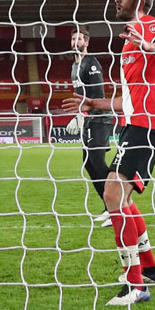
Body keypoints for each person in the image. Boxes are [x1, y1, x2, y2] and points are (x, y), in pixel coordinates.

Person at [64, 0, 155, 306]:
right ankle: (150, 268)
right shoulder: (127, 45)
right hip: (133, 125)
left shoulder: (149, 25)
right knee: (121, 198)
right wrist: (92, 103)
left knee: (113, 194)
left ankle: (135, 285)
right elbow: (127, 99)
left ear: (138, 0)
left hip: (150, 125)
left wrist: (148, 44)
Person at [65, 25, 113, 226]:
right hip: (88, 118)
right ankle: (109, 206)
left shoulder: (90, 63)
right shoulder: (75, 66)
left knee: (98, 162)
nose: (76, 42)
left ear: (87, 42)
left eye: (80, 39)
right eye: (73, 38)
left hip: (99, 118)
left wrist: (82, 114)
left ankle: (118, 204)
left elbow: (98, 95)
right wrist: (80, 114)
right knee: (89, 163)